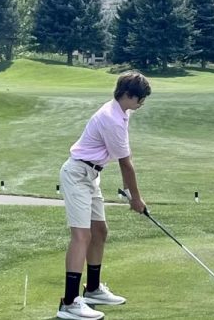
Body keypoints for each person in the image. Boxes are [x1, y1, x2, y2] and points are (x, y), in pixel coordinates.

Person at [57, 71, 152, 320]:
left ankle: (93, 289)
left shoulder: (121, 112)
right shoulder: (111, 118)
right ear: (128, 95)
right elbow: (126, 164)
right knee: (82, 236)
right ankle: (69, 302)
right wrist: (135, 199)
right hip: (77, 174)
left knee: (100, 232)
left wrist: (133, 195)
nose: (142, 103)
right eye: (140, 99)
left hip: (91, 175)